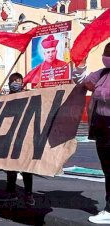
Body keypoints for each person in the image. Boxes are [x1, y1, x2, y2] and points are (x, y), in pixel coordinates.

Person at [72, 43, 110, 224]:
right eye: (106, 53)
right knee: (108, 170)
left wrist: (99, 91)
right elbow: (82, 81)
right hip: (101, 127)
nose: (106, 56)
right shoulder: (101, 74)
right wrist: (81, 66)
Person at [0, 73, 35, 206]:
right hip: (10, 138)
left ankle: (29, 194)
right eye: (13, 81)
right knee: (10, 166)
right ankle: (11, 192)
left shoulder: (29, 96)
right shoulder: (5, 98)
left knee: (26, 168)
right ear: (9, 83)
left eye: (18, 81)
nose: (15, 83)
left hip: (25, 138)